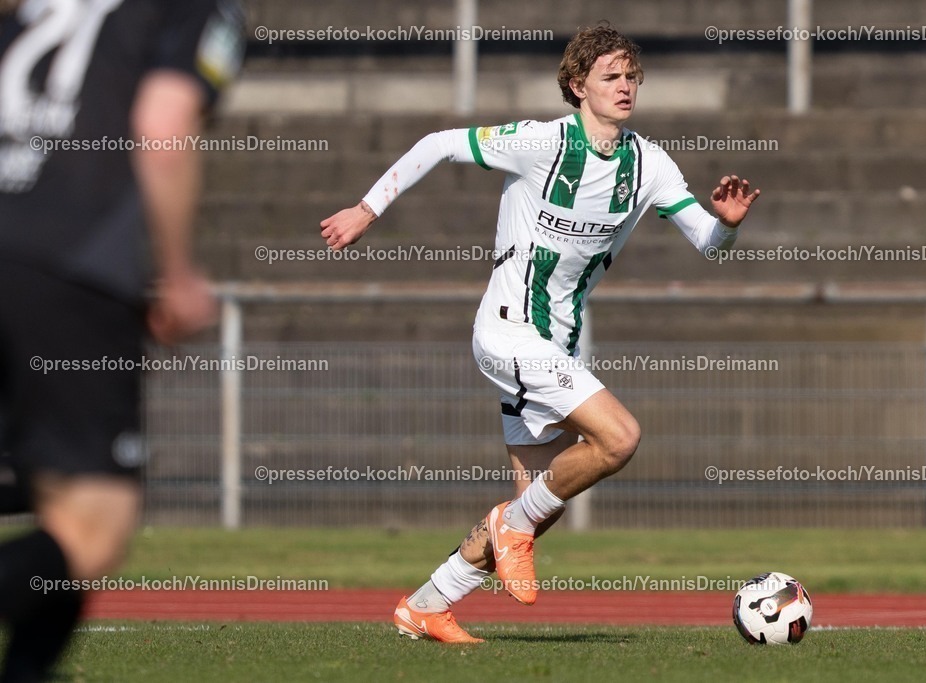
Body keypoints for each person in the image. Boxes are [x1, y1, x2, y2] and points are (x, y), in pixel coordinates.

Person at [321, 23, 760, 643]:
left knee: (538, 505)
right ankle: (511, 528)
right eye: (610, 76)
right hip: (508, 332)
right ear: (578, 86)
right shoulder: (539, 142)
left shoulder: (650, 164)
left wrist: (729, 225)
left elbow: (710, 245)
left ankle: (427, 603)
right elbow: (439, 143)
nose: (625, 86)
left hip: (554, 346)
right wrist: (367, 209)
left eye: (632, 76)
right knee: (619, 438)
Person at [0, 1, 243, 679]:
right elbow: (162, 125)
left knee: (50, 499)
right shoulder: (190, 10)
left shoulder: (36, 11)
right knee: (91, 525)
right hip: (67, 267)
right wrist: (176, 272)